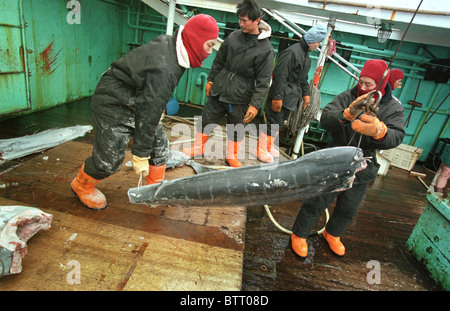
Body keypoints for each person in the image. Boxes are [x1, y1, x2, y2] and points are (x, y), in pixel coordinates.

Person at [71, 14, 219, 210]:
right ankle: (81, 185)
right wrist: (140, 154)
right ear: (196, 40)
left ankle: (154, 190)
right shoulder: (165, 67)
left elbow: (150, 98)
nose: (210, 52)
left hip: (137, 97)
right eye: (209, 45)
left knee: (159, 148)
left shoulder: (175, 45)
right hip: (113, 100)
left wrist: (157, 106)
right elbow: (149, 110)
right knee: (109, 161)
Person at [290, 59, 406, 258]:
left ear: (380, 84)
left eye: (368, 84)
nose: (362, 87)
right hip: (335, 159)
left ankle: (333, 234)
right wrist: (345, 115)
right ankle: (299, 234)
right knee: (317, 201)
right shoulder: (347, 96)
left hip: (364, 165)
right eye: (361, 81)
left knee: (349, 206)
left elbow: (397, 136)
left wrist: (379, 131)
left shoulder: (394, 108)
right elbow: (326, 118)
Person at [182, 0, 275, 167]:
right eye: (240, 19)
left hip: (240, 93)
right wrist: (211, 79)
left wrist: (255, 105)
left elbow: (263, 81)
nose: (241, 24)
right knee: (207, 117)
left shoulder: (266, 49)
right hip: (221, 86)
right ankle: (198, 147)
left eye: (245, 20)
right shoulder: (234, 36)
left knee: (236, 125)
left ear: (256, 20)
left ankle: (231, 156)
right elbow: (219, 61)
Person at [255, 24, 328, 163]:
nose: (317, 45)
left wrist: (306, 94)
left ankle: (269, 147)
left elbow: (303, 78)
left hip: (290, 98)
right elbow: (280, 75)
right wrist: (277, 97)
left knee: (279, 122)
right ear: (312, 40)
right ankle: (261, 150)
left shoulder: (305, 57)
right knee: (272, 122)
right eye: (318, 42)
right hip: (282, 95)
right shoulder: (292, 52)